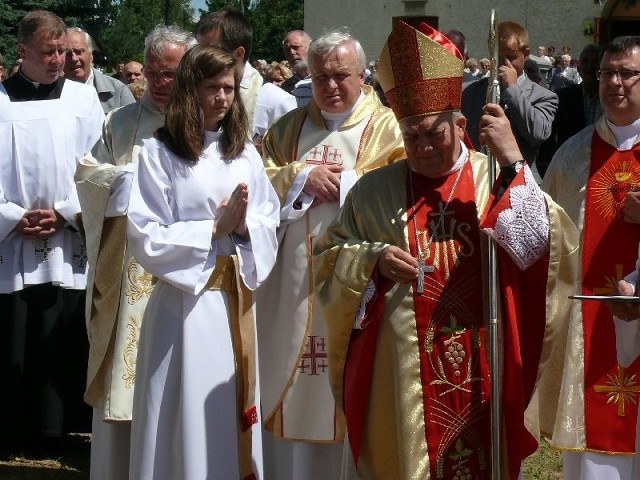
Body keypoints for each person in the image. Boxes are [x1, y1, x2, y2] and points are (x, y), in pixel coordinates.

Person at [313, 21, 577, 480]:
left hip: (482, 364)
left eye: (433, 133)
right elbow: (328, 259)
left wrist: (515, 161)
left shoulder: (491, 176)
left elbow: (542, 244)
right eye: (410, 136)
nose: (422, 148)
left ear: (460, 124)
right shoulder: (374, 192)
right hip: (402, 381)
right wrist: (373, 260)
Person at [256, 29, 405, 480]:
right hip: (290, 283)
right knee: (290, 377)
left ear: (364, 76)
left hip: (353, 281)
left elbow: (400, 186)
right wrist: (299, 176)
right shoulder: (288, 128)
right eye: (321, 77)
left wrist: (344, 182)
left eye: (341, 76)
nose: (331, 86)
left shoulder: (387, 126)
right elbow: (258, 180)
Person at [126, 44, 279, 480]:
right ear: (189, 89)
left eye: (229, 88)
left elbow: (267, 215)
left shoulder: (244, 151)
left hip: (235, 303)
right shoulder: (160, 153)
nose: (222, 97)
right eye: (211, 87)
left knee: (228, 406)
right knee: (184, 414)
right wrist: (213, 228)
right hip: (185, 307)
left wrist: (245, 226)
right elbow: (145, 232)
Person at [75, 25, 195, 480]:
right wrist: (121, 179)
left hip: (180, 272)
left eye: (173, 73)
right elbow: (87, 173)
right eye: (154, 73)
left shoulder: (209, 122)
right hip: (127, 270)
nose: (162, 83)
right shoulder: (121, 122)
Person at [0, 9, 104, 453]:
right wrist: (8, 216)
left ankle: (56, 429)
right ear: (22, 51)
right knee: (13, 336)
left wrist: (66, 212)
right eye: (49, 51)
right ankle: (10, 427)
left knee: (59, 333)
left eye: (63, 50)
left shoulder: (83, 100)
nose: (59, 59)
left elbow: (100, 167)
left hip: (67, 240)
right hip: (11, 242)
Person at [543, 35, 640, 480]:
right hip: (588, 325)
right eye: (607, 73)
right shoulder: (573, 155)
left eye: (627, 74)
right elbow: (542, 236)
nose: (615, 83)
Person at [462, 21, 558, 183]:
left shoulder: (544, 95)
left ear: (525, 53)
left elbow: (538, 134)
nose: (503, 63)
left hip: (520, 183)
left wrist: (513, 89)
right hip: (476, 182)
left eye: (510, 57)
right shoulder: (470, 91)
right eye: (497, 58)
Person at [195, 8, 296, 143]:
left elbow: (289, 158)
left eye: (210, 50)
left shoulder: (276, 101)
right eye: (198, 49)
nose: (200, 58)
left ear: (239, 54)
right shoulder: (196, 90)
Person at [537, 44, 603, 177]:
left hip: (603, 170)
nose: (590, 66)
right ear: (578, 68)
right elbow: (548, 139)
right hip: (569, 173)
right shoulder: (563, 97)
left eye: (595, 62)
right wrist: (549, 171)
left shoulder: (613, 98)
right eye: (585, 61)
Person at [63, 27, 135, 113]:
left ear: (91, 56)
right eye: (67, 53)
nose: (74, 58)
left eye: (78, 52)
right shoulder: (49, 93)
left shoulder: (118, 91)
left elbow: (134, 124)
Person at [281, 30, 312, 94]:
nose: (292, 53)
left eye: (296, 47)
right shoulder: (285, 88)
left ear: (310, 48)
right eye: (287, 50)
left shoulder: (324, 80)